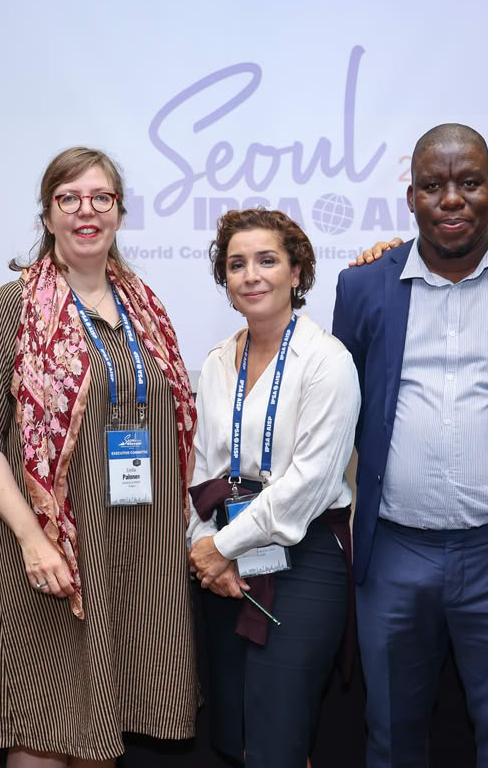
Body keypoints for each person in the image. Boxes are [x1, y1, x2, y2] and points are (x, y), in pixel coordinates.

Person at [332, 123, 488, 768]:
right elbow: (347, 404)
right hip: (393, 551)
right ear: (411, 196)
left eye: (468, 183)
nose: (451, 199)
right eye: (433, 185)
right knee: (390, 739)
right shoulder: (362, 286)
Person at [0, 147, 198, 767]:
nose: (87, 212)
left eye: (101, 199)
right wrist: (33, 539)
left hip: (132, 546)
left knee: (101, 727)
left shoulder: (145, 308)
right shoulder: (15, 306)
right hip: (46, 552)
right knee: (48, 725)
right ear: (47, 215)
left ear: (119, 213)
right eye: (69, 199)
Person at [187, 208, 360, 768]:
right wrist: (204, 549)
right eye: (236, 265)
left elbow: (310, 484)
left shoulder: (327, 360)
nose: (251, 275)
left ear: (296, 272)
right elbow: (200, 468)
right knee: (236, 735)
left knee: (278, 736)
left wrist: (222, 547)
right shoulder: (217, 360)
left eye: (267, 260)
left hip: (305, 560)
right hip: (227, 566)